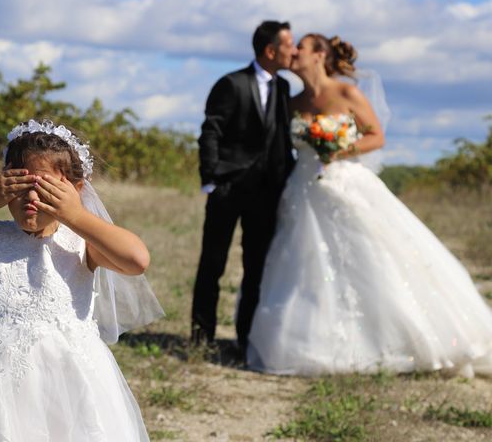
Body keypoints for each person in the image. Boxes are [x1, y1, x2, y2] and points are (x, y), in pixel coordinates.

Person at [0, 119, 163, 441]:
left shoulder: (83, 245)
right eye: (19, 187)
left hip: (71, 378)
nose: (31, 199)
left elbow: (137, 260)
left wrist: (76, 215)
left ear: (74, 190)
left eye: (45, 189)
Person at [247, 33, 492, 377]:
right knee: (305, 263)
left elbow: (376, 135)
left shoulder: (347, 93)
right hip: (304, 189)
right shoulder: (292, 102)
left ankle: (399, 341)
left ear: (319, 55)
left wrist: (336, 149)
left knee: (371, 257)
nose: (294, 52)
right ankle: (313, 344)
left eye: (300, 47)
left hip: (346, 182)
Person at [191, 20, 297, 354]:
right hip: (228, 189)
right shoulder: (231, 83)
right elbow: (211, 131)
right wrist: (210, 180)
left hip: (265, 195)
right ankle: (201, 338)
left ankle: (245, 338)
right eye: (289, 45)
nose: (293, 51)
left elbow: (280, 141)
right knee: (213, 264)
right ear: (270, 50)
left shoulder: (283, 90)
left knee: (256, 268)